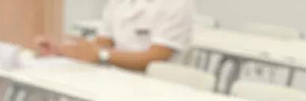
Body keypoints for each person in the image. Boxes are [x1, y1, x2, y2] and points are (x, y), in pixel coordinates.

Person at [36, 0, 194, 71]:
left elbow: (156, 58)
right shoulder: (118, 2)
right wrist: (63, 50)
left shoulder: (177, 3)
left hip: (151, 90)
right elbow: (102, 43)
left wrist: (101, 56)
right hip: (112, 79)